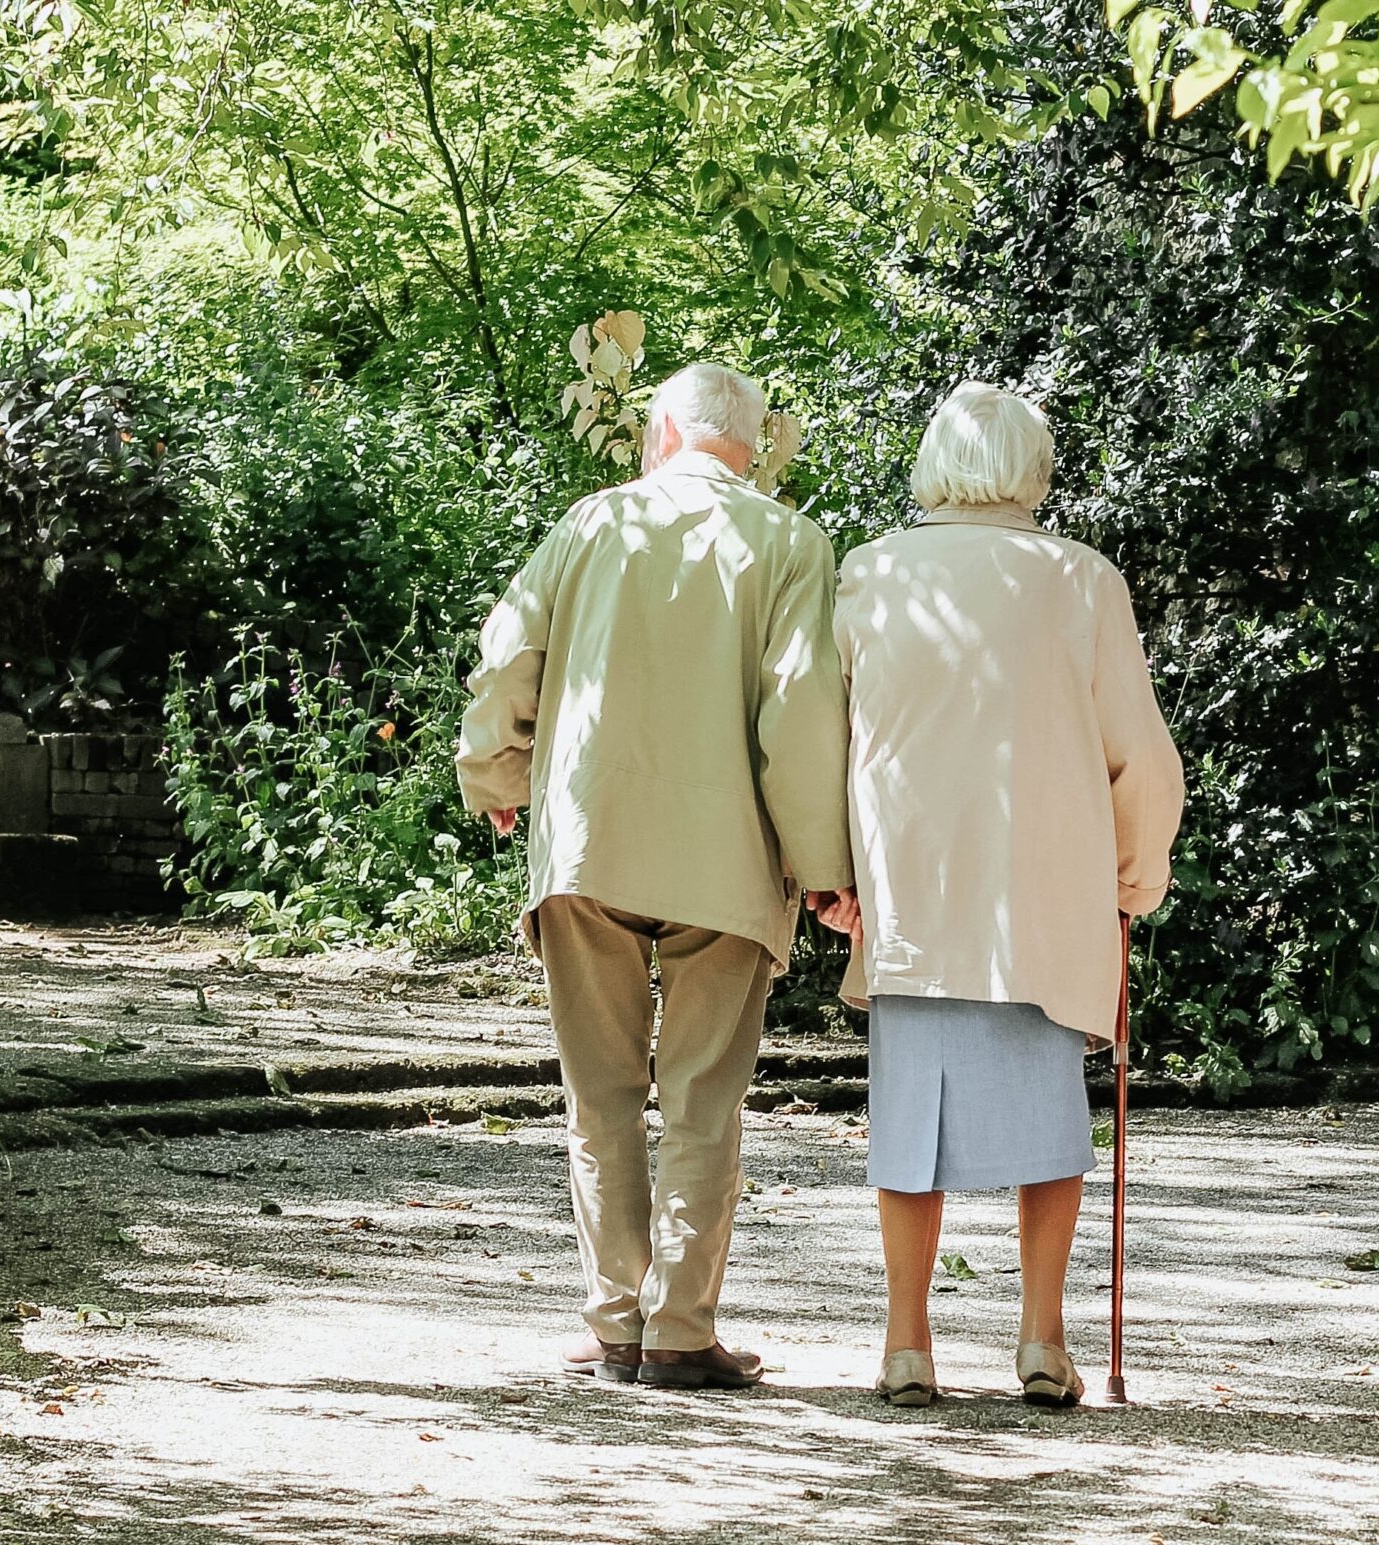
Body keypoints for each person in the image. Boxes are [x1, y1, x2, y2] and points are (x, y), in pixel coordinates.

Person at [456, 362, 855, 1391]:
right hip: (727, 858)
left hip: (591, 842)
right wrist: (822, 868)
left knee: (599, 1097)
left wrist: (494, 771)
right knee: (701, 1100)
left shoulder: (589, 524)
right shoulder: (790, 542)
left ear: (662, 432)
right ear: (752, 446)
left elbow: (508, 662)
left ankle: (613, 1323)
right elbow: (801, 713)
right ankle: (679, 1331)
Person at [815, 381, 1184, 1408]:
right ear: (1034, 468)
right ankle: (1040, 1339)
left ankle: (905, 1343)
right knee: (1048, 1126)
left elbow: (821, 739)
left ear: (935, 462)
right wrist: (1134, 875)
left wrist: (828, 874)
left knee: (906, 1129)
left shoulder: (870, 573)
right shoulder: (1080, 581)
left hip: (913, 888)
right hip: (1044, 894)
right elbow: (1140, 756)